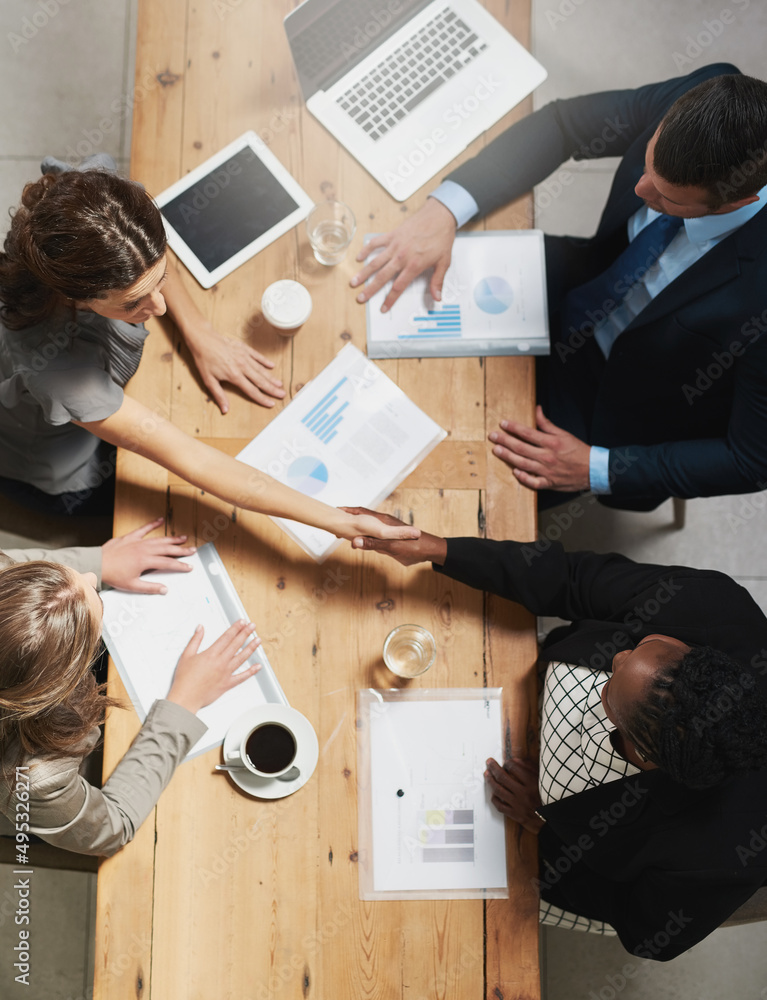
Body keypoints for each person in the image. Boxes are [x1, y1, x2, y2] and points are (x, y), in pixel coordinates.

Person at [348, 509, 767, 960]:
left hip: (557, 848)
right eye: (641, 646)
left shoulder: (722, 855)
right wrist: (440, 549)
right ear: (689, 648)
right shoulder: (710, 604)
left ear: (643, 756)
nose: (620, 655)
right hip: (521, 680)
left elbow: (645, 932)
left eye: (609, 690)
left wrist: (543, 825)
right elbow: (573, 578)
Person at [352, 64, 767, 511]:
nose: (640, 188)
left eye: (667, 200)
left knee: (459, 488)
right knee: (386, 312)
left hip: (623, 402)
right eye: (646, 163)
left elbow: (750, 460)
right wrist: (444, 210)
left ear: (737, 200)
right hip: (585, 279)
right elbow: (564, 125)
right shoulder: (702, 99)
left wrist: (595, 467)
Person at [0, 156, 417, 547]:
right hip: (56, 463)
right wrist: (341, 521)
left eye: (158, 281)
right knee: (117, 495)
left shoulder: (96, 201)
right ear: (76, 296)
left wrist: (199, 331)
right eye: (133, 304)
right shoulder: (61, 372)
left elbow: (147, 258)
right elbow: (194, 461)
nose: (158, 308)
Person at [0, 519, 261, 856]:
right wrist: (182, 705)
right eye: (97, 598)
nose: (92, 579)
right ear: (61, 686)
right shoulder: (35, 779)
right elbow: (114, 826)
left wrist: (99, 563)